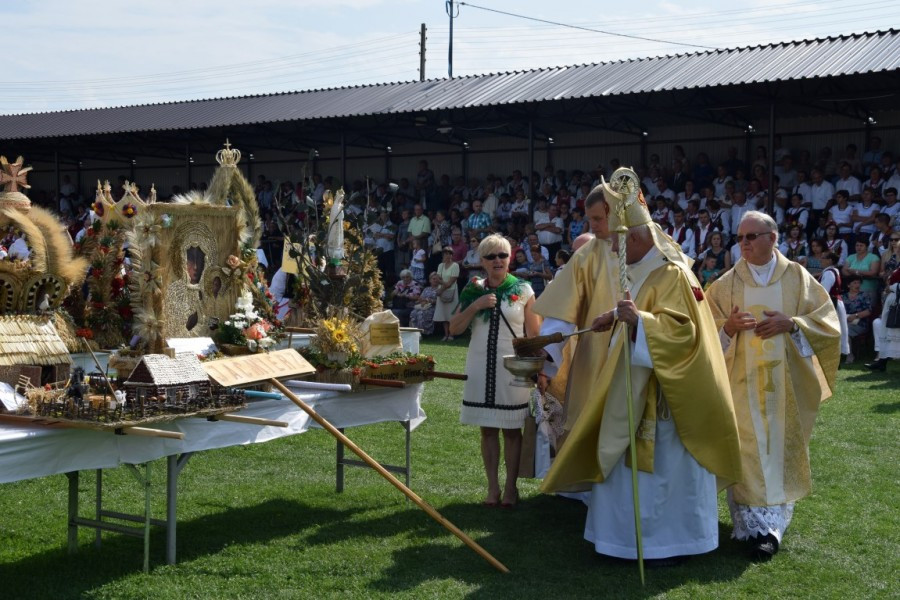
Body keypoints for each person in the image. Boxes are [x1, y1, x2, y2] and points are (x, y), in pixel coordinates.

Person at [540, 183, 742, 564]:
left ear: (634, 237)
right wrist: (618, 317)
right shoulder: (631, 263)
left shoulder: (672, 272)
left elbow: (685, 334)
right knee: (619, 455)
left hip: (667, 397)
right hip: (626, 383)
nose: (611, 250)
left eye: (617, 242)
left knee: (662, 471)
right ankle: (620, 541)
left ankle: (671, 544)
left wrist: (641, 323)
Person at [707, 211, 840, 560]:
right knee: (749, 448)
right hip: (740, 385)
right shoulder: (725, 284)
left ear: (773, 238)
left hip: (786, 388)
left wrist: (793, 323)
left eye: (751, 236)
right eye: (740, 238)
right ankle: (756, 529)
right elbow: (705, 331)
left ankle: (772, 527)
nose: (744, 244)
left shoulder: (797, 278)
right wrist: (729, 328)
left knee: (778, 449)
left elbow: (828, 324)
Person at [449, 235, 540, 507]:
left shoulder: (524, 290)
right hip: (478, 364)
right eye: (491, 257)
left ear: (510, 258)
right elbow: (454, 328)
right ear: (481, 262)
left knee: (512, 430)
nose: (497, 260)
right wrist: (476, 306)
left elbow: (534, 334)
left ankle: (511, 488)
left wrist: (538, 370)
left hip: (512, 368)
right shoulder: (472, 290)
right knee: (487, 429)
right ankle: (492, 488)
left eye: (502, 255)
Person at [866, 267, 900, 370]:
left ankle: (882, 361)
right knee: (886, 331)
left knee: (895, 332)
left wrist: (892, 287)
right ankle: (882, 361)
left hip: (897, 302)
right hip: (893, 301)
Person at [435, 247, 460, 341]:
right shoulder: (440, 265)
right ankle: (445, 334)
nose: (447, 255)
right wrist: (443, 287)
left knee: (451, 315)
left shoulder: (455, 265)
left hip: (451, 292)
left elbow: (450, 283)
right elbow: (437, 278)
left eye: (449, 254)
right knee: (444, 315)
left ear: (452, 255)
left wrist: (441, 287)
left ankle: (451, 334)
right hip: (442, 291)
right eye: (445, 254)